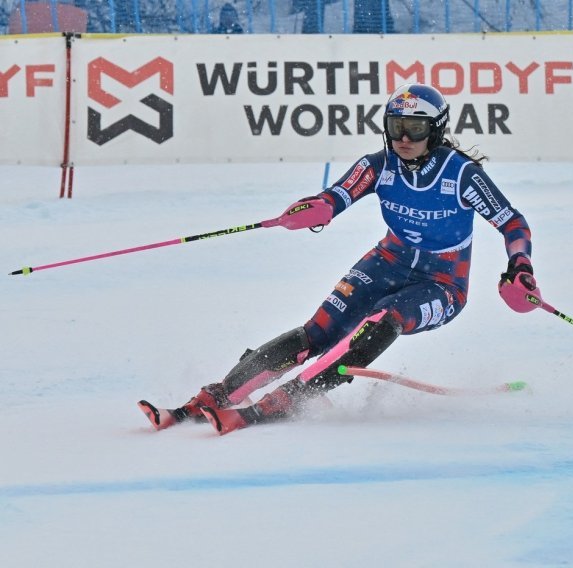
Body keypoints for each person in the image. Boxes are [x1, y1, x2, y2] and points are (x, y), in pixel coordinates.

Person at [139, 83, 541, 435]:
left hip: (444, 284)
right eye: (395, 127)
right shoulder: (377, 167)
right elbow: (335, 197)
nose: (403, 138)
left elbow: (513, 223)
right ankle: (212, 398)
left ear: (435, 130)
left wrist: (519, 267)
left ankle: (287, 400)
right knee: (315, 334)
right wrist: (314, 208)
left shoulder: (460, 174)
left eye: (415, 129)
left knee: (385, 321)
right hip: (388, 261)